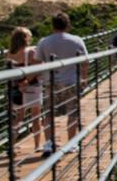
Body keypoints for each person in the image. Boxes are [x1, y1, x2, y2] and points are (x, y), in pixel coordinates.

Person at [36, 12, 89, 151]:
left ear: (52, 25)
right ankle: (71, 144)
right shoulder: (77, 40)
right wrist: (84, 77)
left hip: (50, 82)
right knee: (72, 113)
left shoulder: (44, 42)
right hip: (72, 81)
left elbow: (36, 61)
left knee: (48, 114)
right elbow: (85, 62)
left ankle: (49, 144)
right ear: (68, 24)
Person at [5, 27, 45, 151]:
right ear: (26, 38)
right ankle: (37, 145)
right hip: (31, 87)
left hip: (16, 89)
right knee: (36, 117)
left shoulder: (8, 54)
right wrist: (26, 81)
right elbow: (39, 68)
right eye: (30, 36)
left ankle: (11, 146)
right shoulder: (31, 52)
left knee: (18, 118)